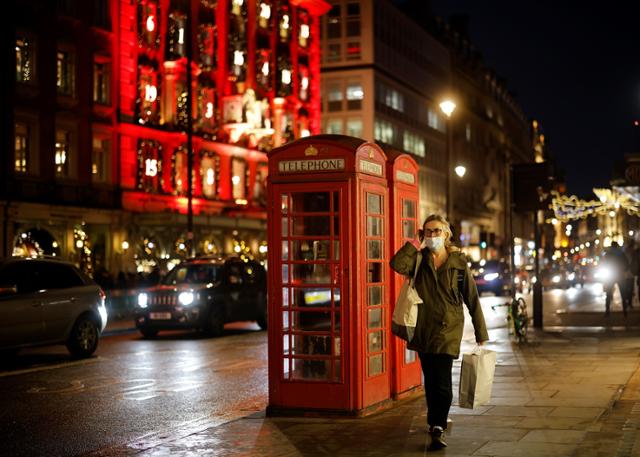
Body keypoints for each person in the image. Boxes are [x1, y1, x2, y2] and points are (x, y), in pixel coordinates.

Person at [390, 214, 489, 451]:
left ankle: (438, 425)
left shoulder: (458, 262)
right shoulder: (418, 259)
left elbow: (472, 299)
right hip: (423, 328)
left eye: (436, 231)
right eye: (427, 231)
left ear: (446, 233)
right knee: (431, 381)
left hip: (448, 330)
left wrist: (480, 332)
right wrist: (415, 243)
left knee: (442, 381)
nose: (432, 236)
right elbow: (396, 265)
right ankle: (435, 420)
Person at [601, 241, 631, 317]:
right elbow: (627, 264)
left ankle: (607, 311)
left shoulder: (608, 253)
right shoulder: (621, 253)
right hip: (619, 274)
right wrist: (623, 270)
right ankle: (625, 312)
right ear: (617, 246)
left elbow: (604, 263)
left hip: (611, 275)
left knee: (608, 293)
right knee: (623, 294)